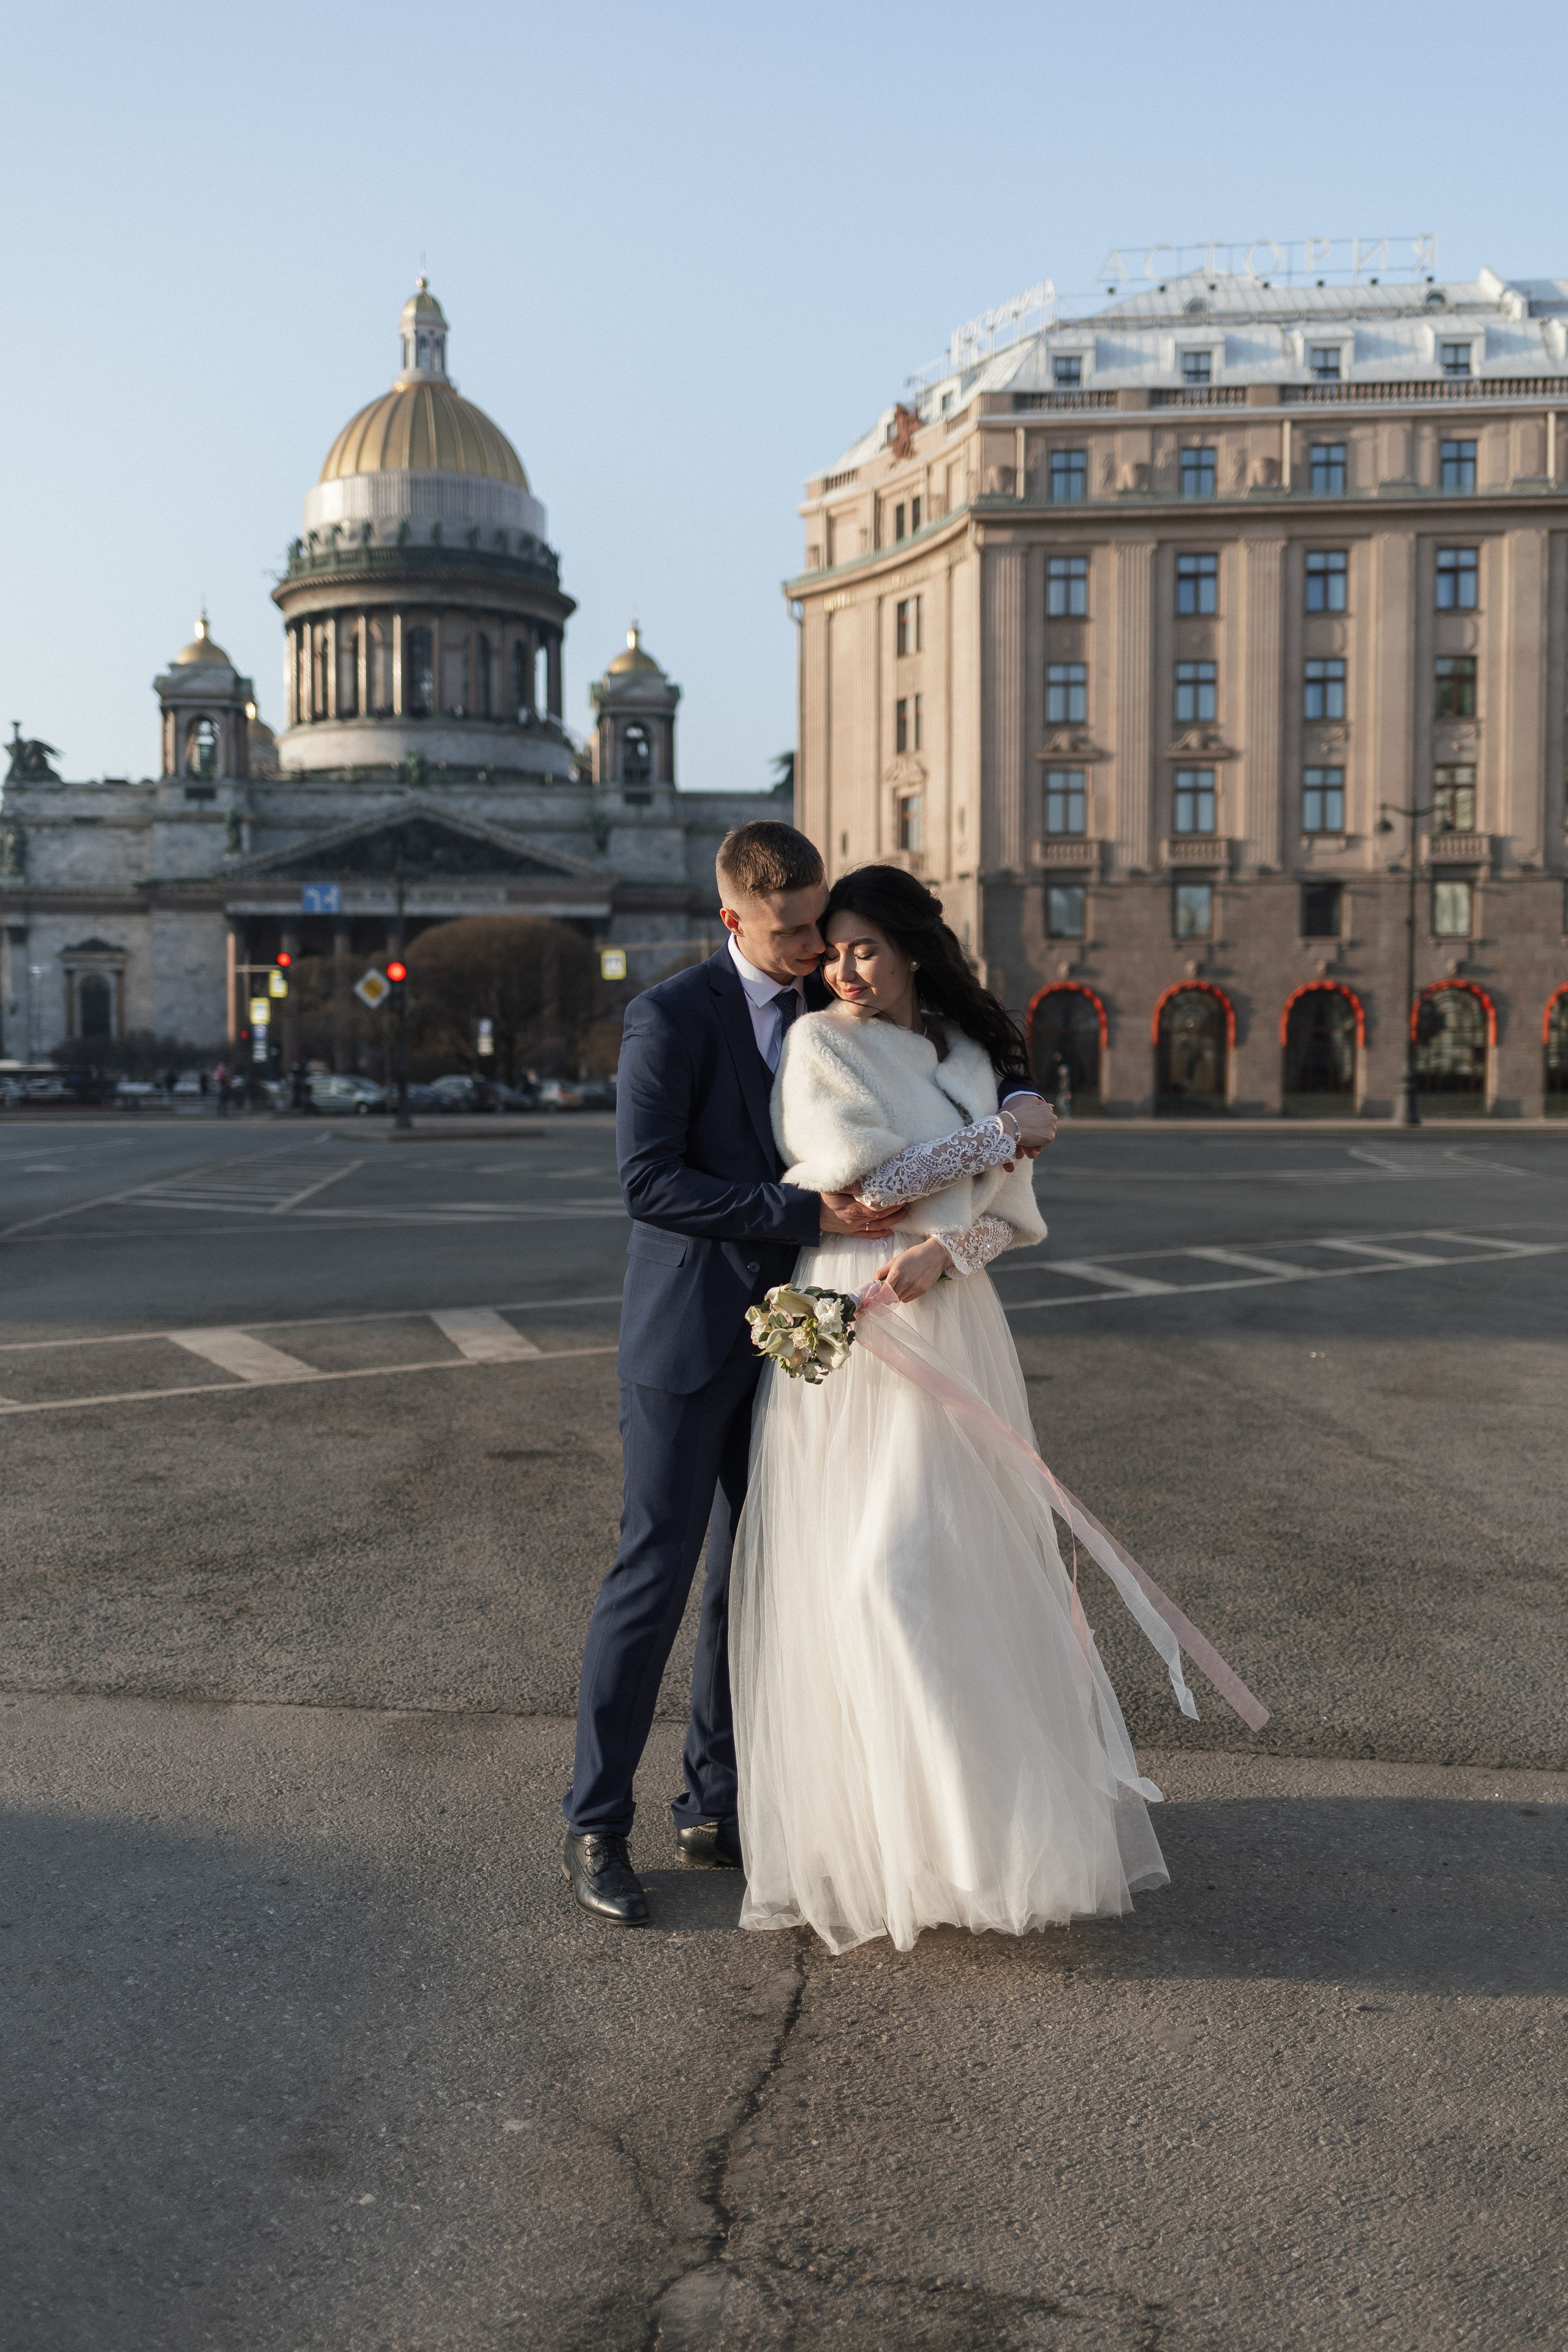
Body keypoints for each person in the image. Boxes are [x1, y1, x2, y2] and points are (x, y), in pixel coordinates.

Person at [562, 823, 1055, 1925]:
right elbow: (648, 1180)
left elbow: (954, 1063)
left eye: (825, 929)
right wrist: (799, 1211)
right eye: (789, 932)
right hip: (694, 1336)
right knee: (656, 1576)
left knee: (765, 1577)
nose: (814, 952)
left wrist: (1018, 1099)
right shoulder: (672, 1016)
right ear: (729, 918)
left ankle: (717, 1800)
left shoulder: (846, 1006)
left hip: (824, 1339)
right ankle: (596, 1823)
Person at [730, 865, 1166, 1953]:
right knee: (873, 1575)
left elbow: (1010, 1221)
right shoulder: (822, 1045)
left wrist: (950, 1244)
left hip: (951, 1314)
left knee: (954, 1566)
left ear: (916, 948)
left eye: (864, 948)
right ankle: (905, 1839)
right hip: (856, 1314)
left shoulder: (971, 1055)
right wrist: (1002, 1134)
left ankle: (980, 1839)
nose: (843, 968)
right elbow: (859, 1185)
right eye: (832, 951)